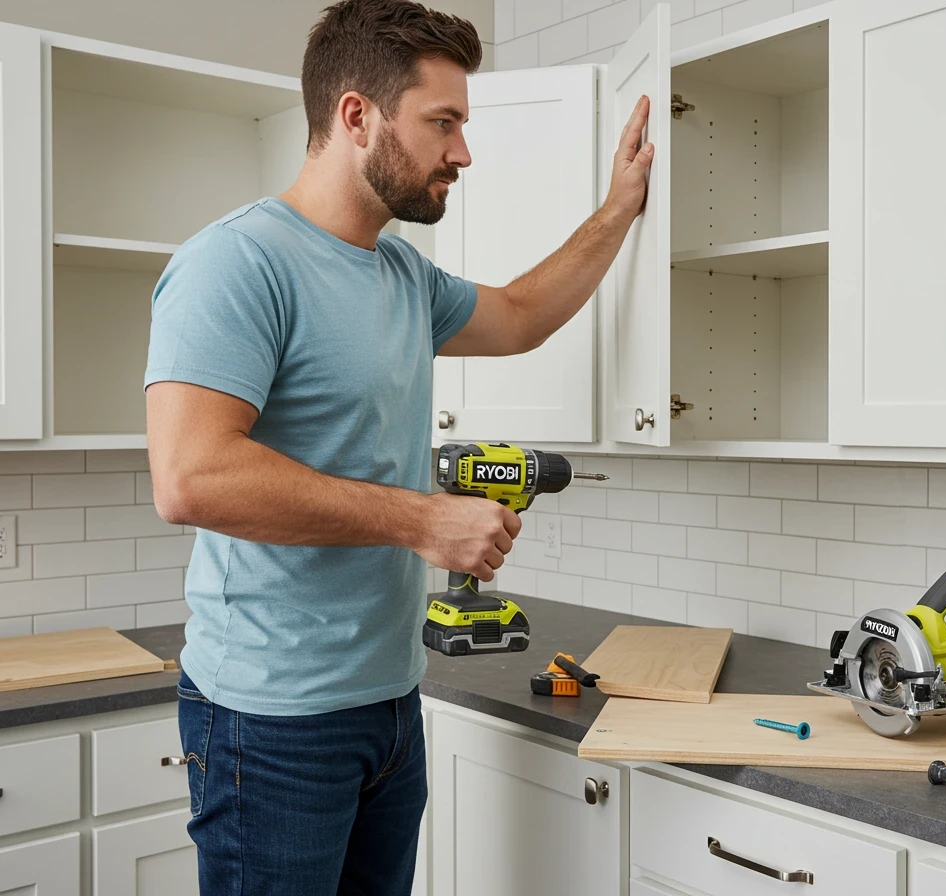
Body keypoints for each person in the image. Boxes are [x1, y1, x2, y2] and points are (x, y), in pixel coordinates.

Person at [141, 0, 653, 892]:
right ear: (357, 116)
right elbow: (192, 476)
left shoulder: (401, 274)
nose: (462, 151)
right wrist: (421, 520)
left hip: (386, 703)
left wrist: (618, 208)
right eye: (442, 122)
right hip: (270, 721)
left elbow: (524, 315)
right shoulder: (237, 263)